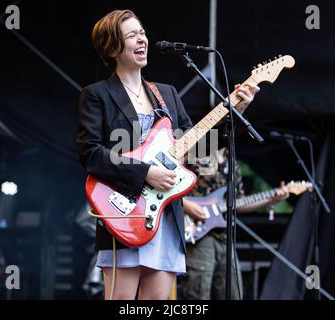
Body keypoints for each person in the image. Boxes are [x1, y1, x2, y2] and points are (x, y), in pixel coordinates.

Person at [77, 9, 259, 300]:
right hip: (125, 210)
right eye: (132, 35)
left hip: (164, 215)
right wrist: (145, 172)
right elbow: (90, 153)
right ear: (112, 48)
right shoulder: (97, 94)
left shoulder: (167, 94)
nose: (142, 39)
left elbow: (199, 148)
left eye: (143, 32)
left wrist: (237, 111)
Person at [181, 147, 290, 300]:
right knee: (197, 295)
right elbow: (170, 184)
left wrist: (272, 199)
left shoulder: (231, 159)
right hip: (198, 234)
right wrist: (186, 205)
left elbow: (238, 203)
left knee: (233, 293)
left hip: (225, 235)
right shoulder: (195, 151)